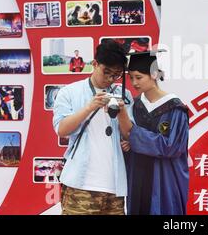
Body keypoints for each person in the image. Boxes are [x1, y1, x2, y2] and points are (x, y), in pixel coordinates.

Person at [53, 40, 133, 215]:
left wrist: (122, 113)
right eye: (107, 72)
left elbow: (130, 135)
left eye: (117, 74)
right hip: (80, 186)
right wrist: (89, 107)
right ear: (95, 64)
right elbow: (62, 130)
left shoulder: (124, 95)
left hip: (115, 186)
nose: (110, 79)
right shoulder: (70, 92)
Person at [121, 51, 189, 215]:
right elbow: (127, 137)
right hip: (138, 175)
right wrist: (127, 143)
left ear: (154, 74)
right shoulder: (135, 105)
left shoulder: (175, 108)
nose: (134, 82)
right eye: (131, 77)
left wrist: (134, 138)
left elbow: (171, 146)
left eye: (138, 77)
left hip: (165, 177)